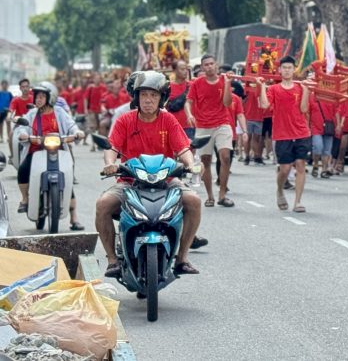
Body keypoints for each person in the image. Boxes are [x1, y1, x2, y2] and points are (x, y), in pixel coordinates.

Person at [96, 71, 202, 277]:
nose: (148, 100)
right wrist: (110, 163)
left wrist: (190, 164)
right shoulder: (125, 120)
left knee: (194, 201)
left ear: (162, 98)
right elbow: (111, 147)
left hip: (166, 181)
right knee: (103, 204)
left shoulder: (169, 120)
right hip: (130, 181)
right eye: (144, 95)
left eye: (153, 95)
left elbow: (183, 149)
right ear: (136, 97)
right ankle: (112, 259)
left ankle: (182, 258)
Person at [15, 81, 84, 230]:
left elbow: (72, 125)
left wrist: (78, 132)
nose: (38, 100)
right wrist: (23, 134)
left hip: (58, 152)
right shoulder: (32, 113)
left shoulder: (59, 112)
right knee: (22, 170)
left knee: (68, 179)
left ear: (50, 97)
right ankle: (25, 199)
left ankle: (74, 218)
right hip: (36, 152)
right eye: (37, 97)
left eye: (41, 96)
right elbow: (23, 128)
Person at [258, 56, 311, 213]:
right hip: (282, 134)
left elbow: (303, 109)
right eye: (284, 67)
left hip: (301, 132)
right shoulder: (274, 89)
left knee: (300, 165)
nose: (287, 70)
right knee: (285, 169)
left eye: (290, 67)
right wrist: (262, 87)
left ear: (294, 69)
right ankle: (280, 190)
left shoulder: (300, 87)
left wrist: (307, 90)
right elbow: (265, 105)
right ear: (279, 70)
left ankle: (298, 201)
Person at [185, 54, 234, 208]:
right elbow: (188, 101)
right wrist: (189, 114)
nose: (209, 67)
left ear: (216, 65)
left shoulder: (224, 80)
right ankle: (210, 196)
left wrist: (227, 84)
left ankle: (222, 194)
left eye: (212, 64)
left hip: (222, 123)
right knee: (206, 161)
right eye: (206, 65)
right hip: (203, 125)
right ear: (202, 67)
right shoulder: (197, 83)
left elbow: (227, 102)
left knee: (225, 157)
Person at [308, 89, 337, 178]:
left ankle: (324, 169)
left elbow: (336, 112)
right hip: (316, 127)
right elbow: (308, 112)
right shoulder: (312, 96)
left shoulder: (332, 96)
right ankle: (315, 164)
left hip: (328, 127)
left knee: (327, 150)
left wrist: (338, 125)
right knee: (318, 147)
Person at [166, 60, 193, 139]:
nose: (185, 71)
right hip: (173, 126)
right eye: (182, 69)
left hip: (189, 125)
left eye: (186, 69)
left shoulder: (191, 86)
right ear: (174, 71)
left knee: (190, 150)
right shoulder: (168, 87)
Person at [0, 80, 12, 145]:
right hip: (0, 111)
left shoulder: (9, 94)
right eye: (3, 84)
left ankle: (9, 137)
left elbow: (12, 102)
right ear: (1, 85)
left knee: (8, 125)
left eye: (6, 84)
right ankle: (1, 138)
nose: (4, 86)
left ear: (7, 85)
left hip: (7, 112)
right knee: (0, 125)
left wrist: (10, 109)